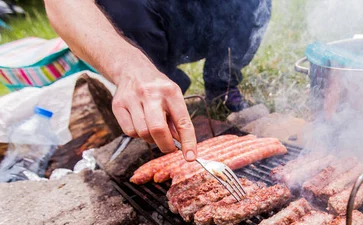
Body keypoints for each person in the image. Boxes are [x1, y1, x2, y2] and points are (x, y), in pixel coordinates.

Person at [44, 0, 272, 158]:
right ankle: (159, 91)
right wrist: (129, 67)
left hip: (206, 14)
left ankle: (222, 85)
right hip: (141, 15)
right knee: (125, 7)